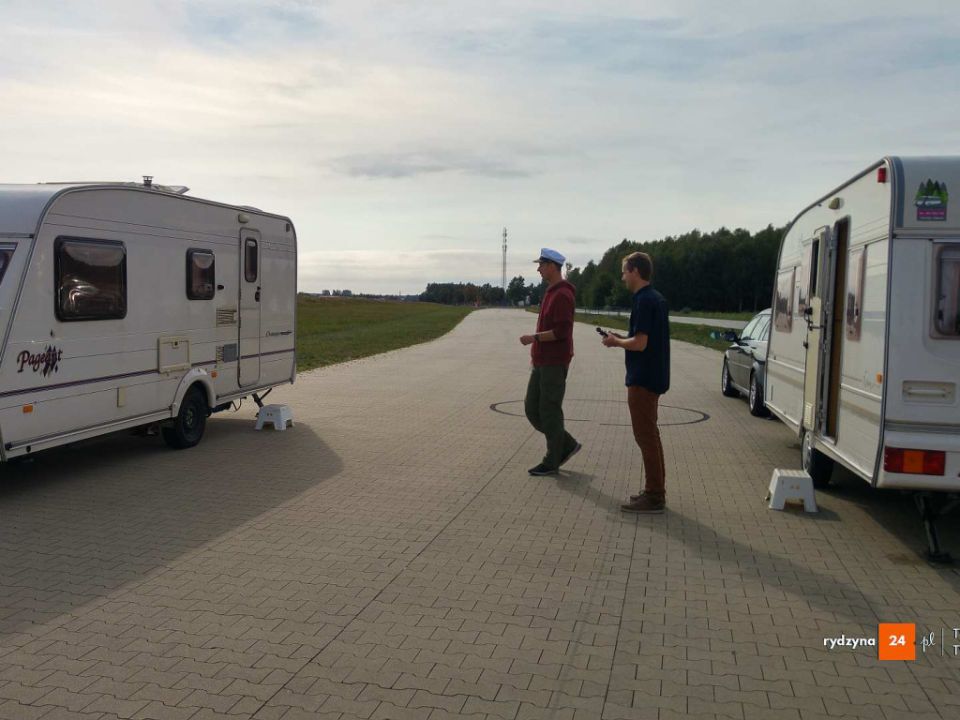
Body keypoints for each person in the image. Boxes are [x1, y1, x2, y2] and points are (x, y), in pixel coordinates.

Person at [601, 251, 670, 513]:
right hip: (655, 375)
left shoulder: (643, 300)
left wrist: (616, 342)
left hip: (642, 379)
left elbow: (640, 343)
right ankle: (656, 490)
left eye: (624, 272)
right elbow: (643, 339)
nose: (622, 277)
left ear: (635, 271)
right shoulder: (656, 298)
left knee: (645, 436)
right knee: (651, 435)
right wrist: (621, 337)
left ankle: (654, 496)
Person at [519, 248, 581, 476]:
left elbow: (562, 332)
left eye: (542, 265)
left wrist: (533, 338)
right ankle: (567, 444)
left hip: (554, 363)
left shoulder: (562, 295)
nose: (538, 269)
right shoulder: (551, 292)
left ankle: (552, 460)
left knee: (549, 411)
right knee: (532, 409)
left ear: (553, 266)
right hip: (541, 361)